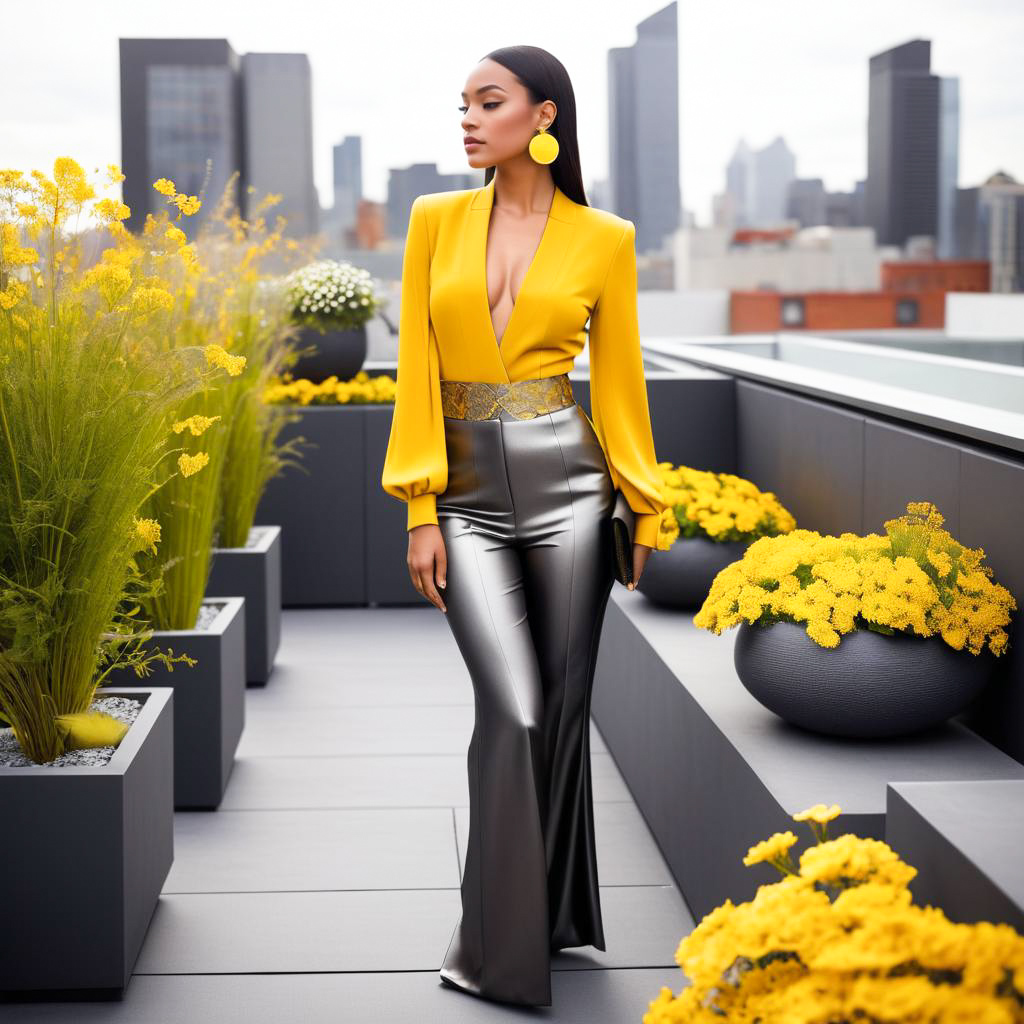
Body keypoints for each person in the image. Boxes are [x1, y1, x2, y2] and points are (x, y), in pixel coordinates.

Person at [380, 45, 666, 1007]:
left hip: (572, 492)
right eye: (461, 103)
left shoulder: (607, 239)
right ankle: (495, 950)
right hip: (461, 495)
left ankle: (546, 922)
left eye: (487, 102)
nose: (466, 118)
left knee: (562, 714)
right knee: (515, 707)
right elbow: (414, 369)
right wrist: (422, 508)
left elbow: (620, 388)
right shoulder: (432, 221)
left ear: (542, 117)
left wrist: (644, 504)